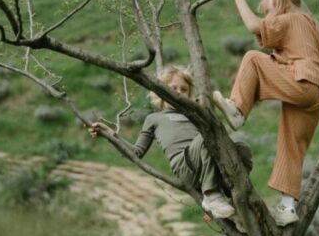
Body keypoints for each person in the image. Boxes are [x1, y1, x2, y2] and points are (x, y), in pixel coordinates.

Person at [211, 0, 319, 226]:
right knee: (293, 145)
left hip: (300, 81)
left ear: (283, 4)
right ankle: (288, 207)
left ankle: (238, 108)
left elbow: (253, 26)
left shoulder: (290, 18)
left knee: (253, 59)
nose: (267, 17)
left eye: (268, 11)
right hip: (317, 95)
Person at [88, 64, 252, 221]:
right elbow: (136, 152)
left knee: (241, 148)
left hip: (206, 165)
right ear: (160, 92)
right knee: (205, 137)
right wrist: (111, 135)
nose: (178, 93)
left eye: (183, 89)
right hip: (185, 166)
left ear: (189, 93)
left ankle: (233, 201)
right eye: (172, 88)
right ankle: (211, 195)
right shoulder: (155, 118)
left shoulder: (194, 114)